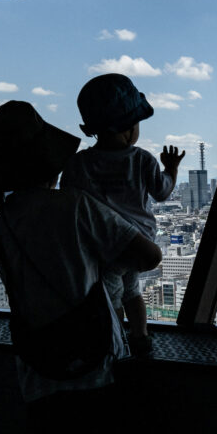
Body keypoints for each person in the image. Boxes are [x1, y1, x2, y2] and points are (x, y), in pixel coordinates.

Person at [0, 100, 161, 434]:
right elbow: (149, 256)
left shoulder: (0, 228)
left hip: (36, 367)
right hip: (94, 362)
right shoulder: (76, 207)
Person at [61, 73, 184, 357]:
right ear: (129, 128)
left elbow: (70, 198)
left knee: (111, 295)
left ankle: (116, 343)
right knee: (133, 291)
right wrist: (172, 169)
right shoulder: (142, 159)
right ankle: (140, 336)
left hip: (105, 245)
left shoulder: (80, 163)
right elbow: (163, 192)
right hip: (140, 242)